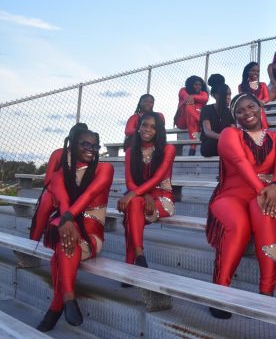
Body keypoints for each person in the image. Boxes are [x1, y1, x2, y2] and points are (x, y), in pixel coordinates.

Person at [206, 93, 276, 319]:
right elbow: (241, 163)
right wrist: (264, 189)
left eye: (250, 106)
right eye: (240, 111)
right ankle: (219, 292)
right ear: (235, 117)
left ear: (260, 106)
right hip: (230, 196)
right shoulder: (229, 134)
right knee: (239, 225)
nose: (246, 112)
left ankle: (266, 292)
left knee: (263, 213)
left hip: (267, 194)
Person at [36, 127, 114, 332]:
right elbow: (62, 201)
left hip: (92, 232)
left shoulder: (104, 169)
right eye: (85, 144)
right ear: (73, 145)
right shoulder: (59, 176)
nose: (91, 149)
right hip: (69, 229)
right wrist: (68, 220)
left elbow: (89, 195)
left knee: (61, 251)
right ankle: (68, 298)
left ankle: (57, 305)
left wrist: (67, 218)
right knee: (62, 250)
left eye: (94, 146)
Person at [117, 112, 176, 272]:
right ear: (138, 127)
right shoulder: (130, 152)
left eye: (153, 127)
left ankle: (130, 265)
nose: (147, 129)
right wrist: (145, 195)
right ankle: (139, 255)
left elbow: (157, 178)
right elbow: (130, 181)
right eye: (144, 125)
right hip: (140, 196)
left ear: (158, 131)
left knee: (132, 211)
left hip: (163, 197)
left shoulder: (168, 149)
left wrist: (134, 194)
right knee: (134, 205)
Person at [28, 123, 88, 243]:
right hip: (56, 191)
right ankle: (34, 240)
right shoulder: (59, 153)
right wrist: (57, 195)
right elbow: (48, 180)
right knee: (46, 200)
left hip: (77, 195)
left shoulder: (87, 156)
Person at [200, 74, 235, 157]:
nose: (228, 97)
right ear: (216, 95)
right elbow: (207, 132)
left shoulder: (230, 112)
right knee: (215, 143)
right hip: (210, 144)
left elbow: (233, 130)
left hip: (226, 143)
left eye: (230, 94)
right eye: (226, 94)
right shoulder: (206, 109)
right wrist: (223, 138)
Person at [174, 75, 209, 155]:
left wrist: (192, 97)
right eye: (196, 84)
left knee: (193, 116)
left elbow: (205, 98)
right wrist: (191, 98)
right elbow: (186, 97)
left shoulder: (203, 93)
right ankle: (200, 122)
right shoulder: (183, 90)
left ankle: (192, 148)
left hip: (194, 121)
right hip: (182, 120)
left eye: (200, 85)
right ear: (191, 84)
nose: (198, 87)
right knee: (189, 107)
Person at [239, 62, 269, 128]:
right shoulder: (241, 86)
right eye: (253, 70)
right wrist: (257, 101)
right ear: (247, 72)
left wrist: (262, 102)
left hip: (259, 109)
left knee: (260, 111)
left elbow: (267, 98)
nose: (256, 73)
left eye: (258, 71)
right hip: (248, 111)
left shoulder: (263, 85)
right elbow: (242, 100)